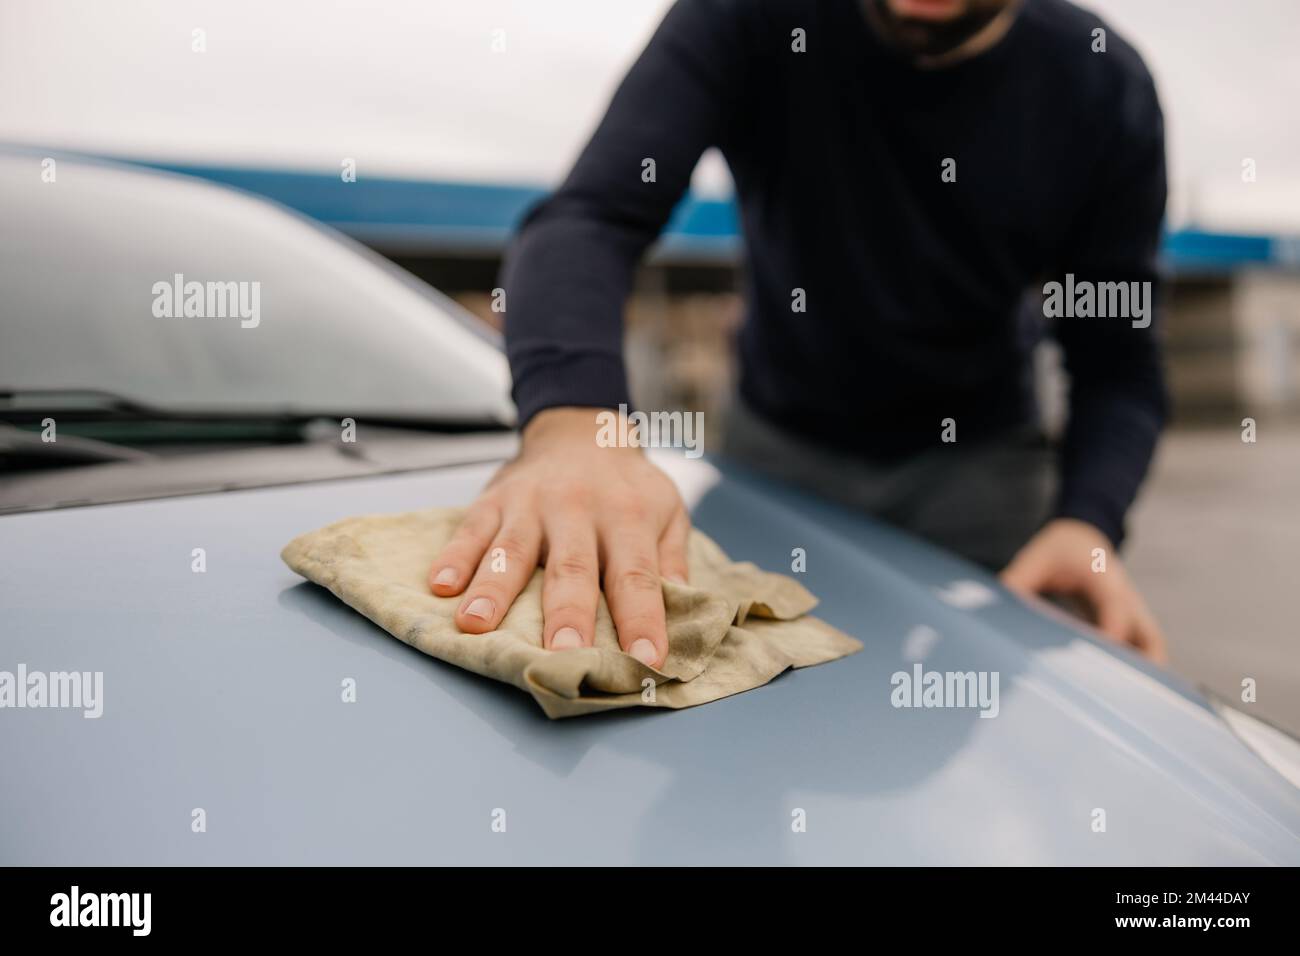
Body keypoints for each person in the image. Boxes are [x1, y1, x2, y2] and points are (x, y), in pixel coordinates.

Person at [427, 0, 1169, 666]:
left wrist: (1088, 520)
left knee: (987, 740)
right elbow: (593, 216)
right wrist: (574, 421)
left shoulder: (1102, 84)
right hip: (780, 448)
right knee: (716, 682)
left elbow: (1116, 359)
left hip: (983, 472)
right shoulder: (747, 17)